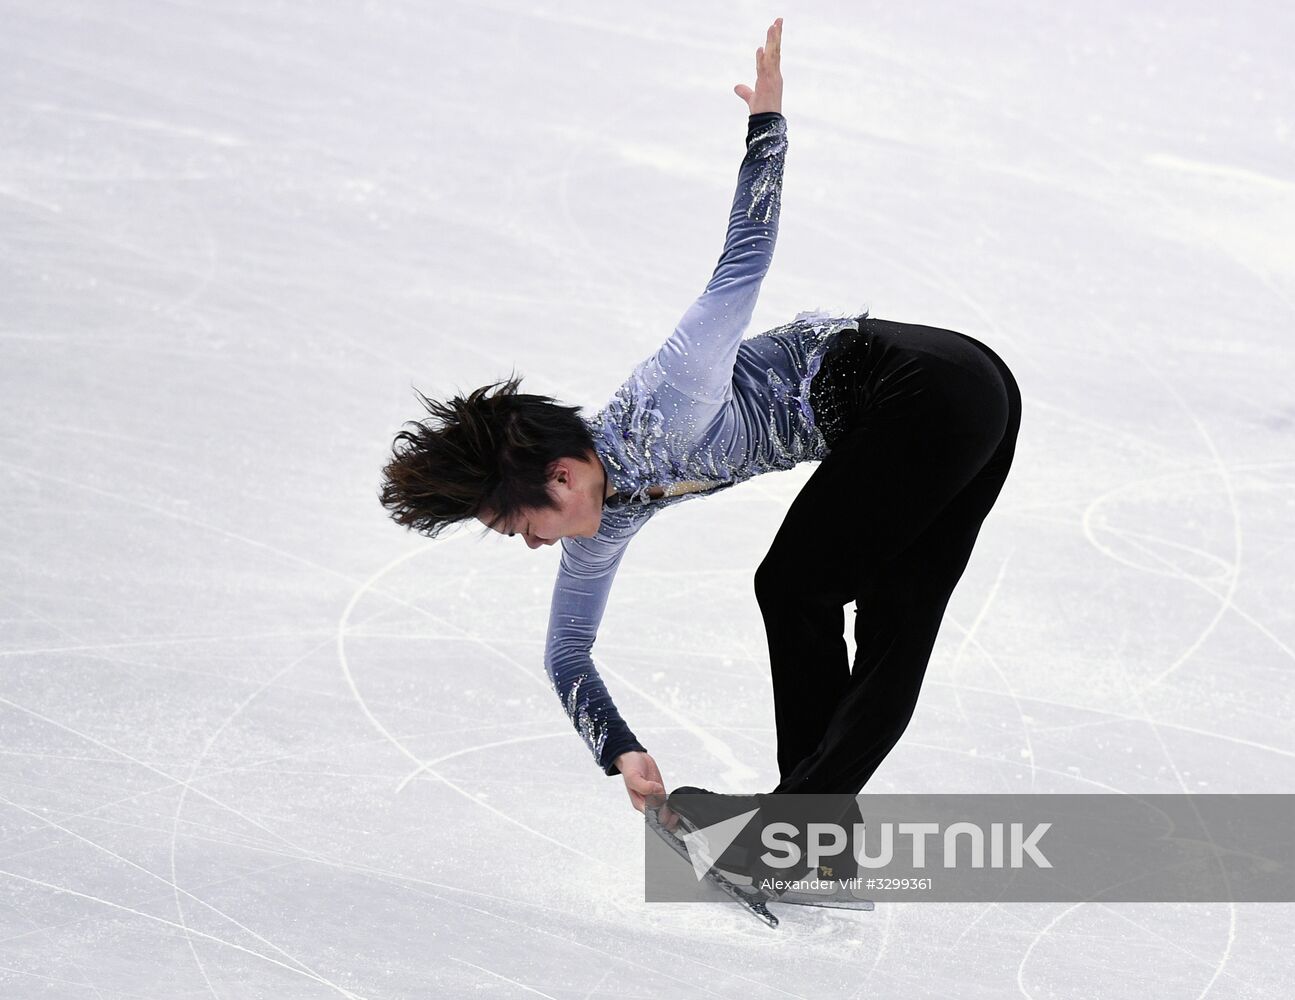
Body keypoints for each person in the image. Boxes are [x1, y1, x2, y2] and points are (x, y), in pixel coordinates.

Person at [376, 17, 1021, 856]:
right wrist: (621, 749)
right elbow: (567, 653)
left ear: (562, 478)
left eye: (518, 526)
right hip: (968, 397)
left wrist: (768, 126)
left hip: (919, 385)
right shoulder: (601, 515)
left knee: (793, 584)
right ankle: (812, 840)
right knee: (894, 613)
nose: (532, 546)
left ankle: (799, 832)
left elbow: (742, 259)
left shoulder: (666, 396)